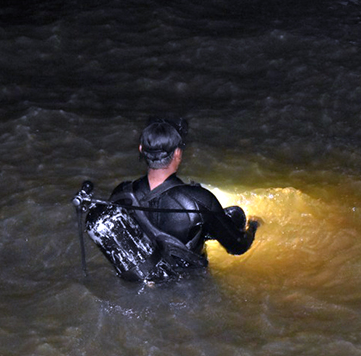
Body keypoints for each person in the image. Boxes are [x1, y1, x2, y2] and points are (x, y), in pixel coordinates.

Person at [85, 117, 258, 282]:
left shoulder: (121, 194)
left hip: (144, 283)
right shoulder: (198, 200)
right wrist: (254, 226)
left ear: (141, 149)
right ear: (177, 153)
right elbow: (237, 247)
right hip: (190, 287)